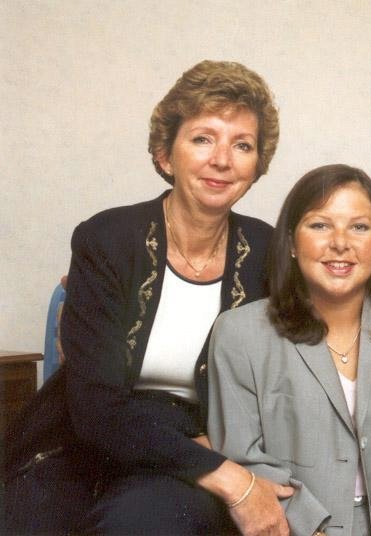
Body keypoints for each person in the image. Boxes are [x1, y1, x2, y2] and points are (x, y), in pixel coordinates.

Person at [3, 60, 294, 535]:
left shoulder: (270, 251)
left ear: (257, 165)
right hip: (83, 443)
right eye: (203, 138)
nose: (222, 159)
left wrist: (222, 461)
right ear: (165, 154)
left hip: (191, 463)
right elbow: (95, 404)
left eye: (242, 145)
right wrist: (229, 476)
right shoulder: (107, 239)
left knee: (142, 524)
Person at [208, 164, 371, 536]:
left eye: (359, 227)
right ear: (291, 242)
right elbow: (243, 456)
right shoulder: (239, 334)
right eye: (320, 225)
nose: (341, 242)